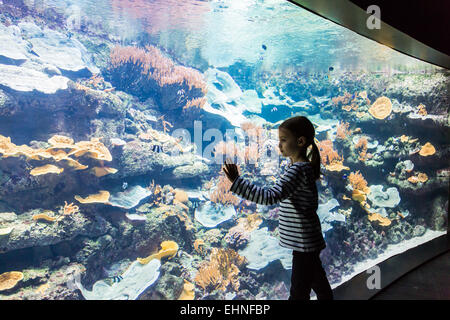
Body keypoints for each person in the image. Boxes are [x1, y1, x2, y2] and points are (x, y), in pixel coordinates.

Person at [222, 116, 333, 300]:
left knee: (298, 292)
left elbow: (269, 196)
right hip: (307, 241)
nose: (279, 145)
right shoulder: (302, 168)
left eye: (283, 140)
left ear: (300, 141)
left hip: (304, 244)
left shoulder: (297, 170)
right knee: (318, 283)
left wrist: (237, 182)